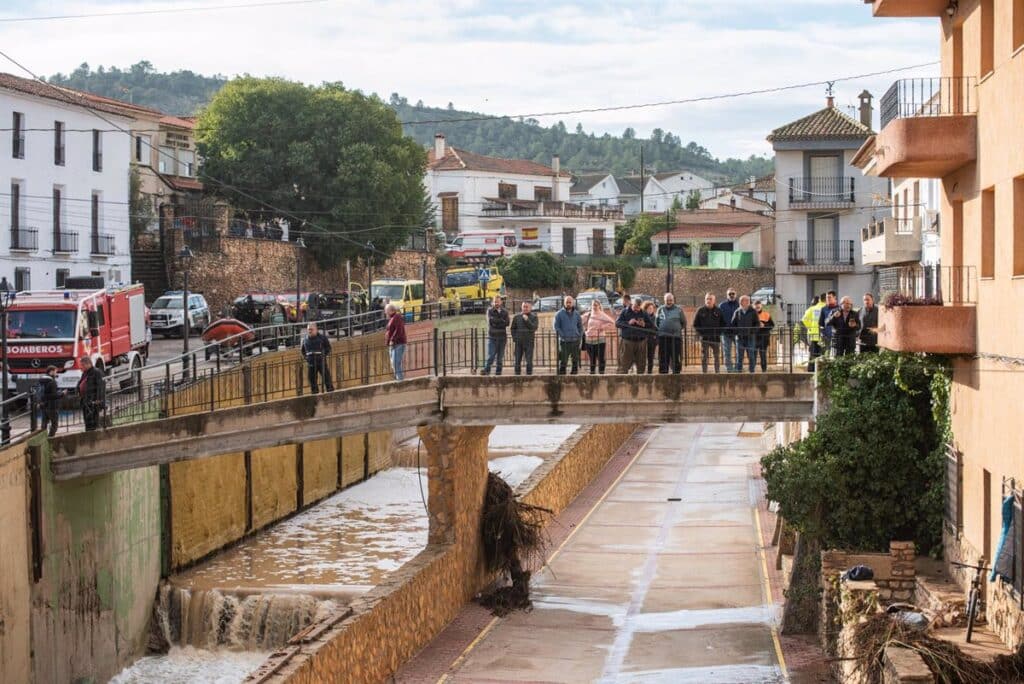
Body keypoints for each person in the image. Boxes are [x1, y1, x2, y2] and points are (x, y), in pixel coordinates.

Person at [617, 297, 654, 374]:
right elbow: (617, 323)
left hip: (641, 342)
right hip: (627, 341)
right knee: (624, 365)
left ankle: (641, 383)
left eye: (638, 308)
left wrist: (644, 324)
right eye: (635, 307)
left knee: (641, 365)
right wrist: (628, 323)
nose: (636, 309)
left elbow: (651, 326)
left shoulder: (644, 313)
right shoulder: (625, 311)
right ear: (632, 304)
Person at [582, 299, 615, 374]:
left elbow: (612, 322)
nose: (594, 306)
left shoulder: (602, 314)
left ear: (599, 306)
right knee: (592, 359)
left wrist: (603, 327)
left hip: (600, 340)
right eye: (593, 305)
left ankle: (601, 373)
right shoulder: (588, 314)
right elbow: (580, 321)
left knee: (601, 358)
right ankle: (592, 373)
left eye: (596, 305)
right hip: (589, 340)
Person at [693, 292, 723, 373]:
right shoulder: (700, 310)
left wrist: (718, 332)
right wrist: (701, 333)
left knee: (716, 356)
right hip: (705, 338)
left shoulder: (719, 311)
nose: (708, 300)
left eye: (710, 299)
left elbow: (723, 324)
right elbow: (695, 324)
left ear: (714, 300)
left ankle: (717, 372)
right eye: (707, 299)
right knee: (704, 356)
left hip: (715, 338)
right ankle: (704, 373)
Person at [553, 296, 584, 375]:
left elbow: (580, 326)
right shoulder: (559, 314)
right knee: (563, 360)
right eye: (567, 302)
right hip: (564, 342)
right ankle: (562, 377)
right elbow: (556, 327)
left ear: (573, 303)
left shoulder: (577, 314)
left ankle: (574, 376)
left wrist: (579, 336)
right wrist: (563, 335)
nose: (568, 304)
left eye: (570, 302)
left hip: (575, 340)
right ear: (564, 303)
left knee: (575, 360)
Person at [655, 293, 685, 374]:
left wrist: (676, 329)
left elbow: (683, 323)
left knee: (675, 357)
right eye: (667, 300)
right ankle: (663, 376)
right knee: (663, 358)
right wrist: (663, 329)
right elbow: (656, 323)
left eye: (670, 300)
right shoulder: (660, 309)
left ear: (673, 300)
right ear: (664, 300)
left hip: (675, 338)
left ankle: (676, 375)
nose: (669, 302)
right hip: (663, 338)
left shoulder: (679, 309)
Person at [301, 322, 334, 393]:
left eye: (311, 329)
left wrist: (323, 355)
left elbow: (328, 348)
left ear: (316, 329)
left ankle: (330, 391)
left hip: (321, 362)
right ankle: (315, 393)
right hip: (311, 363)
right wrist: (306, 358)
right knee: (312, 380)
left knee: (326, 377)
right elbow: (303, 351)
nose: (309, 331)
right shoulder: (305, 340)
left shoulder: (322, 338)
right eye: (308, 329)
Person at [481, 295, 510, 375]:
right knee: (491, 355)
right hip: (492, 337)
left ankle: (498, 372)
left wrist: (496, 321)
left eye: (498, 301)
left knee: (500, 358)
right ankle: (486, 370)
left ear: (501, 302)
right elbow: (491, 322)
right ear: (492, 302)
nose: (496, 303)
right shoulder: (489, 311)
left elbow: (507, 323)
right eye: (495, 302)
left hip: (502, 337)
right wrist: (501, 321)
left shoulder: (505, 311)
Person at [731, 295, 759, 373]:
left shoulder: (753, 311)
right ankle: (739, 372)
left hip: (750, 338)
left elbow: (757, 324)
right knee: (739, 356)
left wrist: (752, 331)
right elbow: (733, 324)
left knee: (751, 356)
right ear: (741, 302)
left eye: (747, 301)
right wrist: (737, 332)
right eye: (744, 301)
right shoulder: (737, 312)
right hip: (740, 338)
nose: (746, 302)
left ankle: (752, 372)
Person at [510, 301, 538, 375]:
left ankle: (529, 375)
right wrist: (515, 338)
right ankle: (517, 375)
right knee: (517, 360)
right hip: (519, 342)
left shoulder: (534, 317)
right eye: (523, 307)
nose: (525, 308)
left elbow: (533, 328)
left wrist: (527, 320)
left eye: (526, 307)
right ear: (521, 307)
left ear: (530, 308)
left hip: (529, 342)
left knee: (529, 360)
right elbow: (513, 328)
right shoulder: (516, 317)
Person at [78, 356, 105, 432]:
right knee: (87, 420)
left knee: (93, 421)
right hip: (85, 400)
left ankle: (92, 435)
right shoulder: (85, 373)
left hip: (93, 401)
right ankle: (88, 433)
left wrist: (99, 399)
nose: (82, 367)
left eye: (83, 365)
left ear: (89, 364)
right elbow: (81, 383)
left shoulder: (97, 372)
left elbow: (100, 387)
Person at [719, 289, 741, 372]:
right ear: (727, 295)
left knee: (739, 351)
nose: (731, 295)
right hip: (726, 332)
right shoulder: (722, 305)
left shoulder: (740, 305)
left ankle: (738, 367)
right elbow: (719, 318)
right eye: (729, 294)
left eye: (733, 293)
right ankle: (729, 368)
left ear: (736, 294)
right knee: (727, 351)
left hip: (737, 332)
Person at [384, 303, 407, 380]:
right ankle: (398, 380)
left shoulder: (396, 317)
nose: (385, 313)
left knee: (396, 364)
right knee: (394, 364)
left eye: (386, 311)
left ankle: (400, 381)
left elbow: (398, 330)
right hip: (394, 344)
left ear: (391, 310)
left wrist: (392, 340)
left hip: (398, 344)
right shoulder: (392, 318)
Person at [37, 365, 62, 437]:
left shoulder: (40, 381)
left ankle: (43, 439)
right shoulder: (52, 382)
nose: (56, 374)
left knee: (44, 424)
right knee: (54, 424)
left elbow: (41, 394)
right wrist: (62, 394)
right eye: (55, 372)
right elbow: (53, 396)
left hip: (43, 405)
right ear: (51, 372)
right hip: (52, 406)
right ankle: (50, 438)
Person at [802, 295, 825, 372]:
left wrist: (810, 327)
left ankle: (811, 370)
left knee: (813, 354)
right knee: (823, 355)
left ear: (819, 300)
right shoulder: (826, 308)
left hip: (813, 335)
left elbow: (804, 319)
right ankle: (821, 371)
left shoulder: (812, 309)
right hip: (824, 335)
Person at [753, 300, 775, 372]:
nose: (757, 307)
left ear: (761, 306)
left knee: (763, 356)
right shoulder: (751, 315)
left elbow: (772, 325)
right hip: (754, 338)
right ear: (754, 306)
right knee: (753, 356)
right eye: (756, 306)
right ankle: (752, 371)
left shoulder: (766, 314)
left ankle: (764, 371)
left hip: (764, 338)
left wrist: (764, 325)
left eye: (759, 305)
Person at [817, 290, 840, 357]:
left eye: (829, 297)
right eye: (827, 297)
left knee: (836, 355)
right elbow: (821, 323)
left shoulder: (839, 308)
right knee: (825, 355)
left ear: (834, 297)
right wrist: (822, 334)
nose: (828, 299)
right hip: (826, 337)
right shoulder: (823, 309)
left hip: (836, 336)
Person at [642, 301, 658, 373]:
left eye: (652, 308)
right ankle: (641, 371)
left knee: (650, 356)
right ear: (645, 309)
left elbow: (657, 329)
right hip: (643, 339)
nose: (651, 310)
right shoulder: (642, 317)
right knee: (641, 356)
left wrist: (656, 339)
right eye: (649, 308)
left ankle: (649, 371)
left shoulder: (655, 318)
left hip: (652, 339)